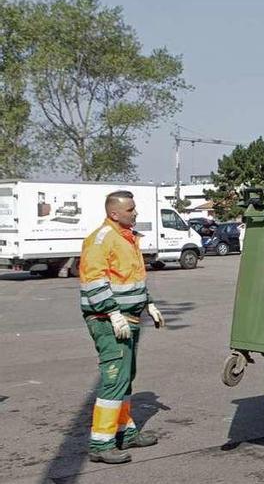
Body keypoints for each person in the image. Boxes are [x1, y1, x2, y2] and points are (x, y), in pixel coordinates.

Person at [78, 191, 166, 464]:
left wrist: (149, 303)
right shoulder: (102, 239)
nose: (135, 212)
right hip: (108, 320)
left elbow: (131, 278)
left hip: (129, 318)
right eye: (130, 209)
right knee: (114, 378)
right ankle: (101, 444)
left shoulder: (127, 238)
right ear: (114, 213)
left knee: (126, 377)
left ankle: (124, 432)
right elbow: (94, 282)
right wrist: (113, 313)